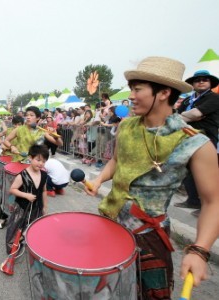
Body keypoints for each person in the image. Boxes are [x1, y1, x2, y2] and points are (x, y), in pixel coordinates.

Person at [85, 57, 219, 299]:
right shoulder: (126, 127)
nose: (131, 96)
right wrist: (99, 180)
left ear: (164, 92)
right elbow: (117, 160)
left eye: (138, 89)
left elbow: (213, 202)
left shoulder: (194, 142)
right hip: (109, 223)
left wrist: (199, 250)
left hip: (148, 236)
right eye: (131, 89)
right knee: (103, 292)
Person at [175, 70, 219, 217]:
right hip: (185, 140)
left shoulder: (214, 98)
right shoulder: (188, 100)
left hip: (205, 140)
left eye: (205, 80)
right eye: (197, 80)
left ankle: (208, 207)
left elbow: (195, 114)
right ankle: (192, 200)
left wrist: (190, 116)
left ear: (210, 83)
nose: (201, 82)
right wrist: (189, 116)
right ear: (192, 84)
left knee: (205, 175)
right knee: (187, 172)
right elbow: (177, 116)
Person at [2, 144, 49, 258]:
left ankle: (27, 243)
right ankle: (12, 251)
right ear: (30, 158)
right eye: (38, 160)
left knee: (32, 227)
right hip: (22, 208)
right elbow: (12, 189)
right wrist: (26, 195)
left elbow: (44, 191)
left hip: (36, 208)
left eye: (43, 161)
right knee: (15, 228)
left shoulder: (43, 174)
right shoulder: (23, 175)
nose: (40, 163)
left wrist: (44, 207)